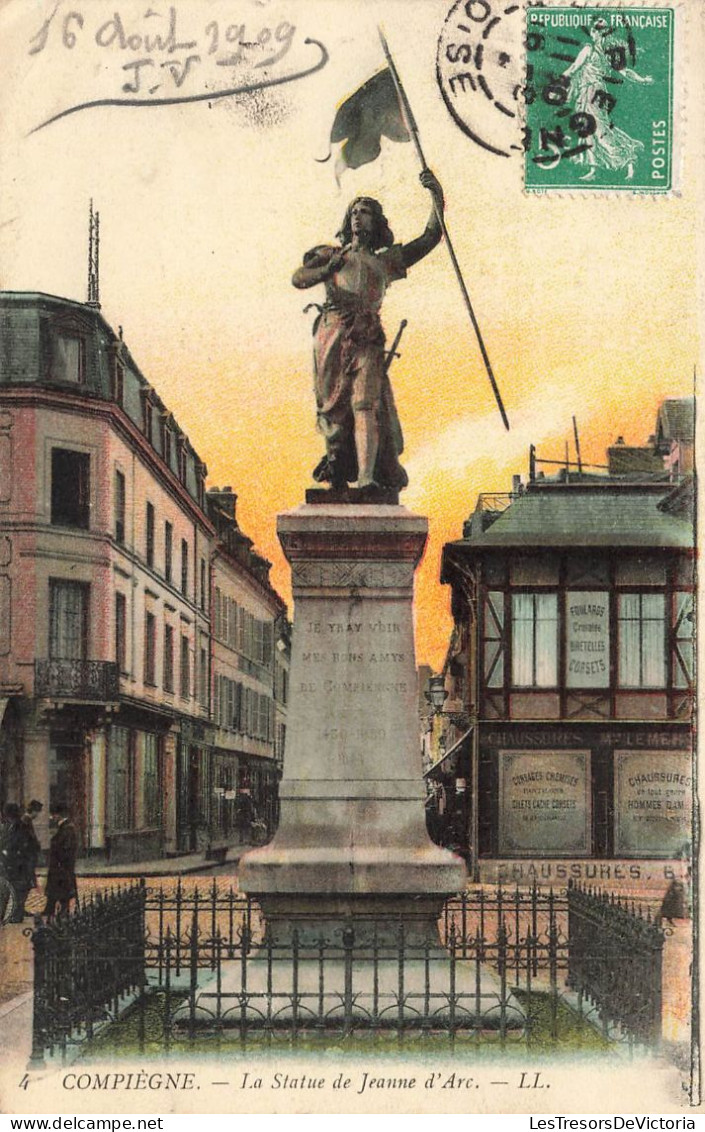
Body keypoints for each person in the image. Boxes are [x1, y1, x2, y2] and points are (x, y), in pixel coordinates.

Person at [292, 169, 445, 497]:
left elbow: (430, 237)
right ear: (347, 222)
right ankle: (336, 471)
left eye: (366, 212)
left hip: (367, 336)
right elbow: (298, 277)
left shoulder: (386, 262)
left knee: (365, 403)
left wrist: (436, 196)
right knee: (333, 409)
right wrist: (326, 270)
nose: (359, 217)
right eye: (354, 212)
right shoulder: (332, 254)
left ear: (377, 223)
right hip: (332, 335)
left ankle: (365, 478)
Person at [562, 19, 653, 182]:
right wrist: (643, 80)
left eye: (599, 31)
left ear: (594, 33)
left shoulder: (590, 49)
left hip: (593, 92)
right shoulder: (608, 52)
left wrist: (559, 79)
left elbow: (574, 68)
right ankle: (594, 167)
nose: (599, 34)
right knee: (588, 129)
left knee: (598, 129)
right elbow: (626, 72)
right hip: (591, 92)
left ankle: (627, 158)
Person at [0, 802, 36, 922]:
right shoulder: (7, 826)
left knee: (18, 892)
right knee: (4, 893)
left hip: (18, 866)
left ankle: (16, 916)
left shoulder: (22, 827)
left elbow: (29, 847)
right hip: (7, 866)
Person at [44, 802, 78, 919]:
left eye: (53, 815)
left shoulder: (67, 828)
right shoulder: (64, 827)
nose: (51, 817)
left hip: (61, 866)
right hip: (59, 865)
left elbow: (66, 848)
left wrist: (59, 861)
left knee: (63, 889)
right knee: (58, 888)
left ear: (58, 815)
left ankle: (63, 912)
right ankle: (51, 909)